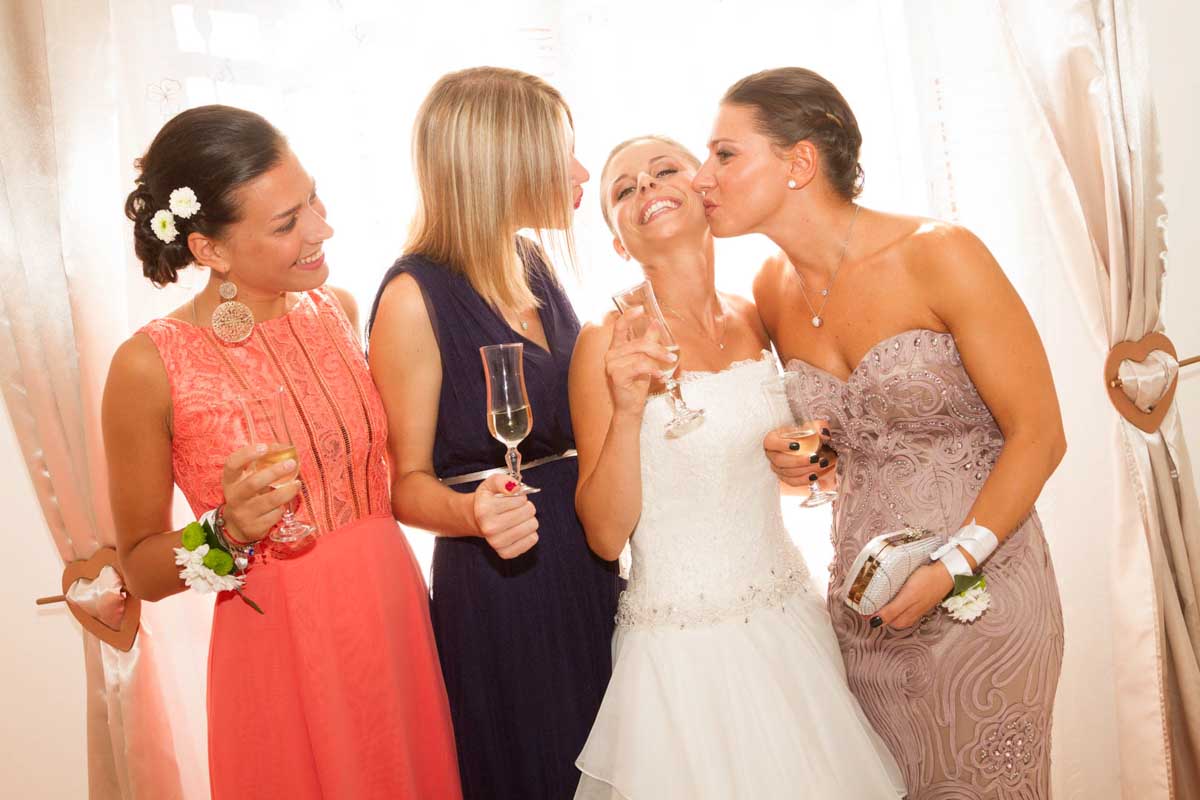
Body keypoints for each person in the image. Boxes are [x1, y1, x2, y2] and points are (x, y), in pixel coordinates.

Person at [693, 67, 1067, 797]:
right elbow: (847, 445)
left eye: (725, 154)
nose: (704, 176)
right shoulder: (770, 289)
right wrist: (804, 458)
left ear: (800, 161)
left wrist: (954, 566)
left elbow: (1040, 435)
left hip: (981, 595)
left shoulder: (940, 252)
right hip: (863, 608)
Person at [103, 105, 461, 799]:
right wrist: (226, 532)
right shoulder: (148, 365)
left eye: (314, 200)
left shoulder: (340, 312)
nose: (321, 229)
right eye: (286, 223)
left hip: (391, 616)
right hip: (281, 646)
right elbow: (141, 569)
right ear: (209, 249)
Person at [569, 134, 905, 799]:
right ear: (619, 244)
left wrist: (809, 459)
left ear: (704, 193)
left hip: (788, 624)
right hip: (682, 651)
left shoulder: (753, 316)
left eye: (664, 170)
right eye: (624, 189)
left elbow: (809, 471)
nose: (646, 187)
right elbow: (605, 538)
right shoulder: (606, 340)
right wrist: (629, 408)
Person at [366, 67, 621, 800]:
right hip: (506, 585)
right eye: (562, 154)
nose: (581, 173)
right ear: (501, 163)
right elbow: (404, 485)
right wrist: (474, 513)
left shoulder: (531, 263)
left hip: (587, 557)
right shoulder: (413, 295)